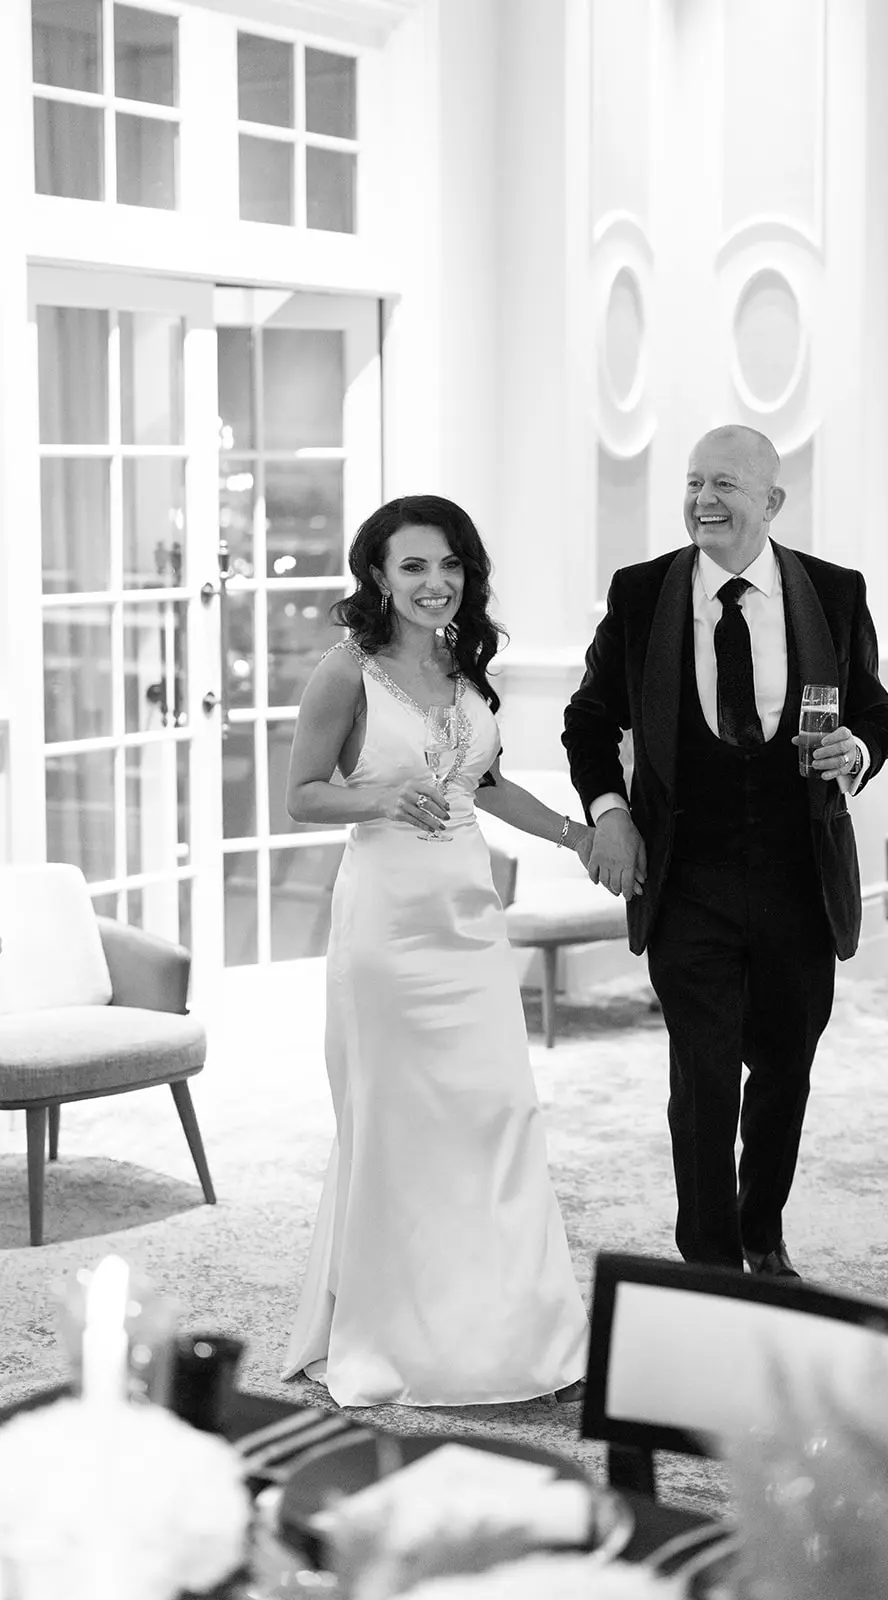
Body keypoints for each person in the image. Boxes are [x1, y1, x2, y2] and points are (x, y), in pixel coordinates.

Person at [563, 426, 888, 1279]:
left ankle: (760, 1230)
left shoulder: (831, 590)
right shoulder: (641, 595)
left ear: (770, 502)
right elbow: (589, 721)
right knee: (703, 1080)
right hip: (689, 878)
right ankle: (710, 1264)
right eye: (692, 482)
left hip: (797, 875)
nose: (703, 500)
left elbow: (877, 714)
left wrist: (853, 752)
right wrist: (608, 812)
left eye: (724, 485)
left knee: (784, 1071)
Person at [282, 494, 590, 1407]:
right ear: (376, 575)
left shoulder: (464, 665)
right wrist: (377, 798)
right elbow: (300, 795)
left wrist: (578, 837)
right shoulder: (345, 673)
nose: (435, 583)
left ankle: (508, 1325)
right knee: (399, 1126)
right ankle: (391, 1331)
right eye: (413, 565)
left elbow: (485, 784)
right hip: (387, 928)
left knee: (498, 1114)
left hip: (469, 923)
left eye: (449, 565)